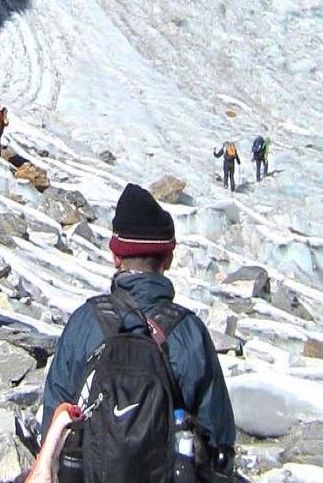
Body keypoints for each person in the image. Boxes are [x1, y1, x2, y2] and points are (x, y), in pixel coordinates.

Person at [40, 184, 236, 482]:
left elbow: (52, 428)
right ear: (168, 259)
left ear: (116, 257)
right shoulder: (190, 331)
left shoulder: (84, 322)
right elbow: (220, 445)